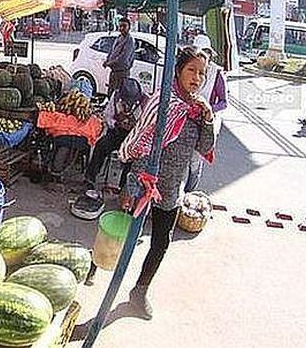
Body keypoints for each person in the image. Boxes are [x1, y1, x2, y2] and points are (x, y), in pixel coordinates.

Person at [120, 46, 215, 319]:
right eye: (191, 70)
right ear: (178, 71)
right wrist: (131, 184)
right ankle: (97, 271)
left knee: (161, 243)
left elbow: (205, 147)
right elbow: (142, 141)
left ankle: (139, 292)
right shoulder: (163, 102)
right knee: (122, 237)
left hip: (171, 189)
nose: (197, 77)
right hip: (144, 183)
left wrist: (208, 118)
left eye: (202, 73)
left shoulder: (198, 110)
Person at [71, 77, 144, 219]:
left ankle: (124, 189)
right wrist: (116, 124)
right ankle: (90, 179)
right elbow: (108, 116)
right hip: (117, 133)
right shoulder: (116, 97)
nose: (128, 103)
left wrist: (133, 127)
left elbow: (144, 125)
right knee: (101, 145)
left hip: (132, 137)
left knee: (131, 159)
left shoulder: (144, 102)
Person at [185, 34, 227, 193]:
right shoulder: (188, 69)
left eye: (205, 53)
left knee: (195, 161)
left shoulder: (216, 73)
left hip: (205, 121)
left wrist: (207, 108)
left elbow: (224, 102)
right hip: (188, 117)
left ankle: (189, 193)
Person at [103, 17, 135, 96]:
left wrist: (110, 63)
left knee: (118, 95)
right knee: (110, 94)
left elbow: (123, 58)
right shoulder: (119, 37)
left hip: (122, 73)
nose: (121, 28)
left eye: (124, 26)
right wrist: (107, 60)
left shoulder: (130, 40)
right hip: (114, 72)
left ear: (129, 27)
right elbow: (112, 51)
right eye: (120, 26)